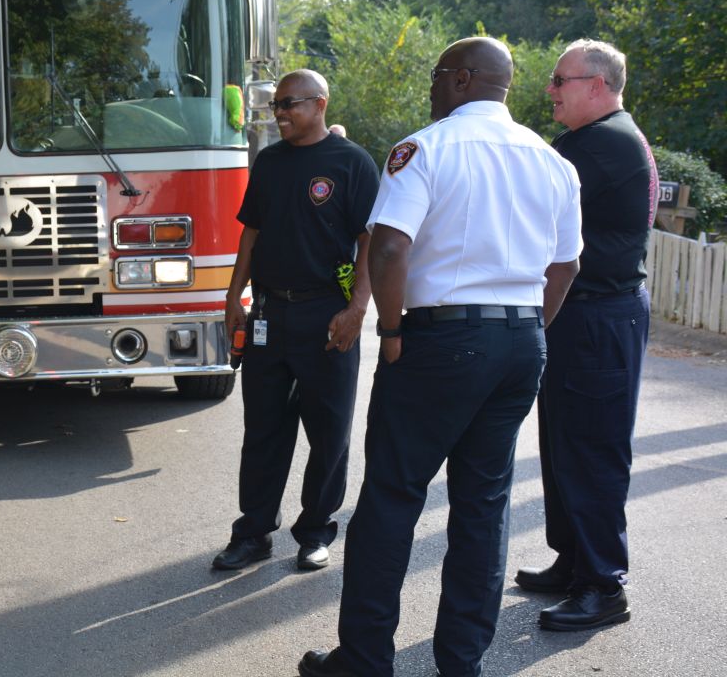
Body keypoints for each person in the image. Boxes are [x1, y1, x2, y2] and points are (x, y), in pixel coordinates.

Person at [298, 37, 583, 677]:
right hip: (520, 340)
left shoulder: (425, 148)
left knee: (392, 496)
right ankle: (461, 662)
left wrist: (391, 330)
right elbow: (565, 265)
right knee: (483, 506)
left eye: (435, 75)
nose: (431, 87)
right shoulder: (552, 160)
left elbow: (389, 247)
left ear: (460, 79)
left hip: (439, 339)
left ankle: (364, 659)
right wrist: (529, 329)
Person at [513, 39, 658, 632]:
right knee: (566, 443)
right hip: (589, 313)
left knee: (593, 450)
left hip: (600, 314)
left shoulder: (601, 144)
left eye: (560, 80)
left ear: (597, 85)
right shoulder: (599, 138)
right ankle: (574, 560)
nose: (550, 89)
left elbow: (525, 208)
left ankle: (603, 585)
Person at [213, 69, 379, 572]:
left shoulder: (353, 162)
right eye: (277, 105)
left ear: (320, 103)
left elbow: (370, 241)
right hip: (269, 312)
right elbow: (252, 231)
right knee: (263, 429)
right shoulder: (269, 162)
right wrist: (234, 295)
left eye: (290, 104)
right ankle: (254, 532)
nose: (280, 113)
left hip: (327, 313)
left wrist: (357, 309)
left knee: (328, 431)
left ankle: (316, 531)